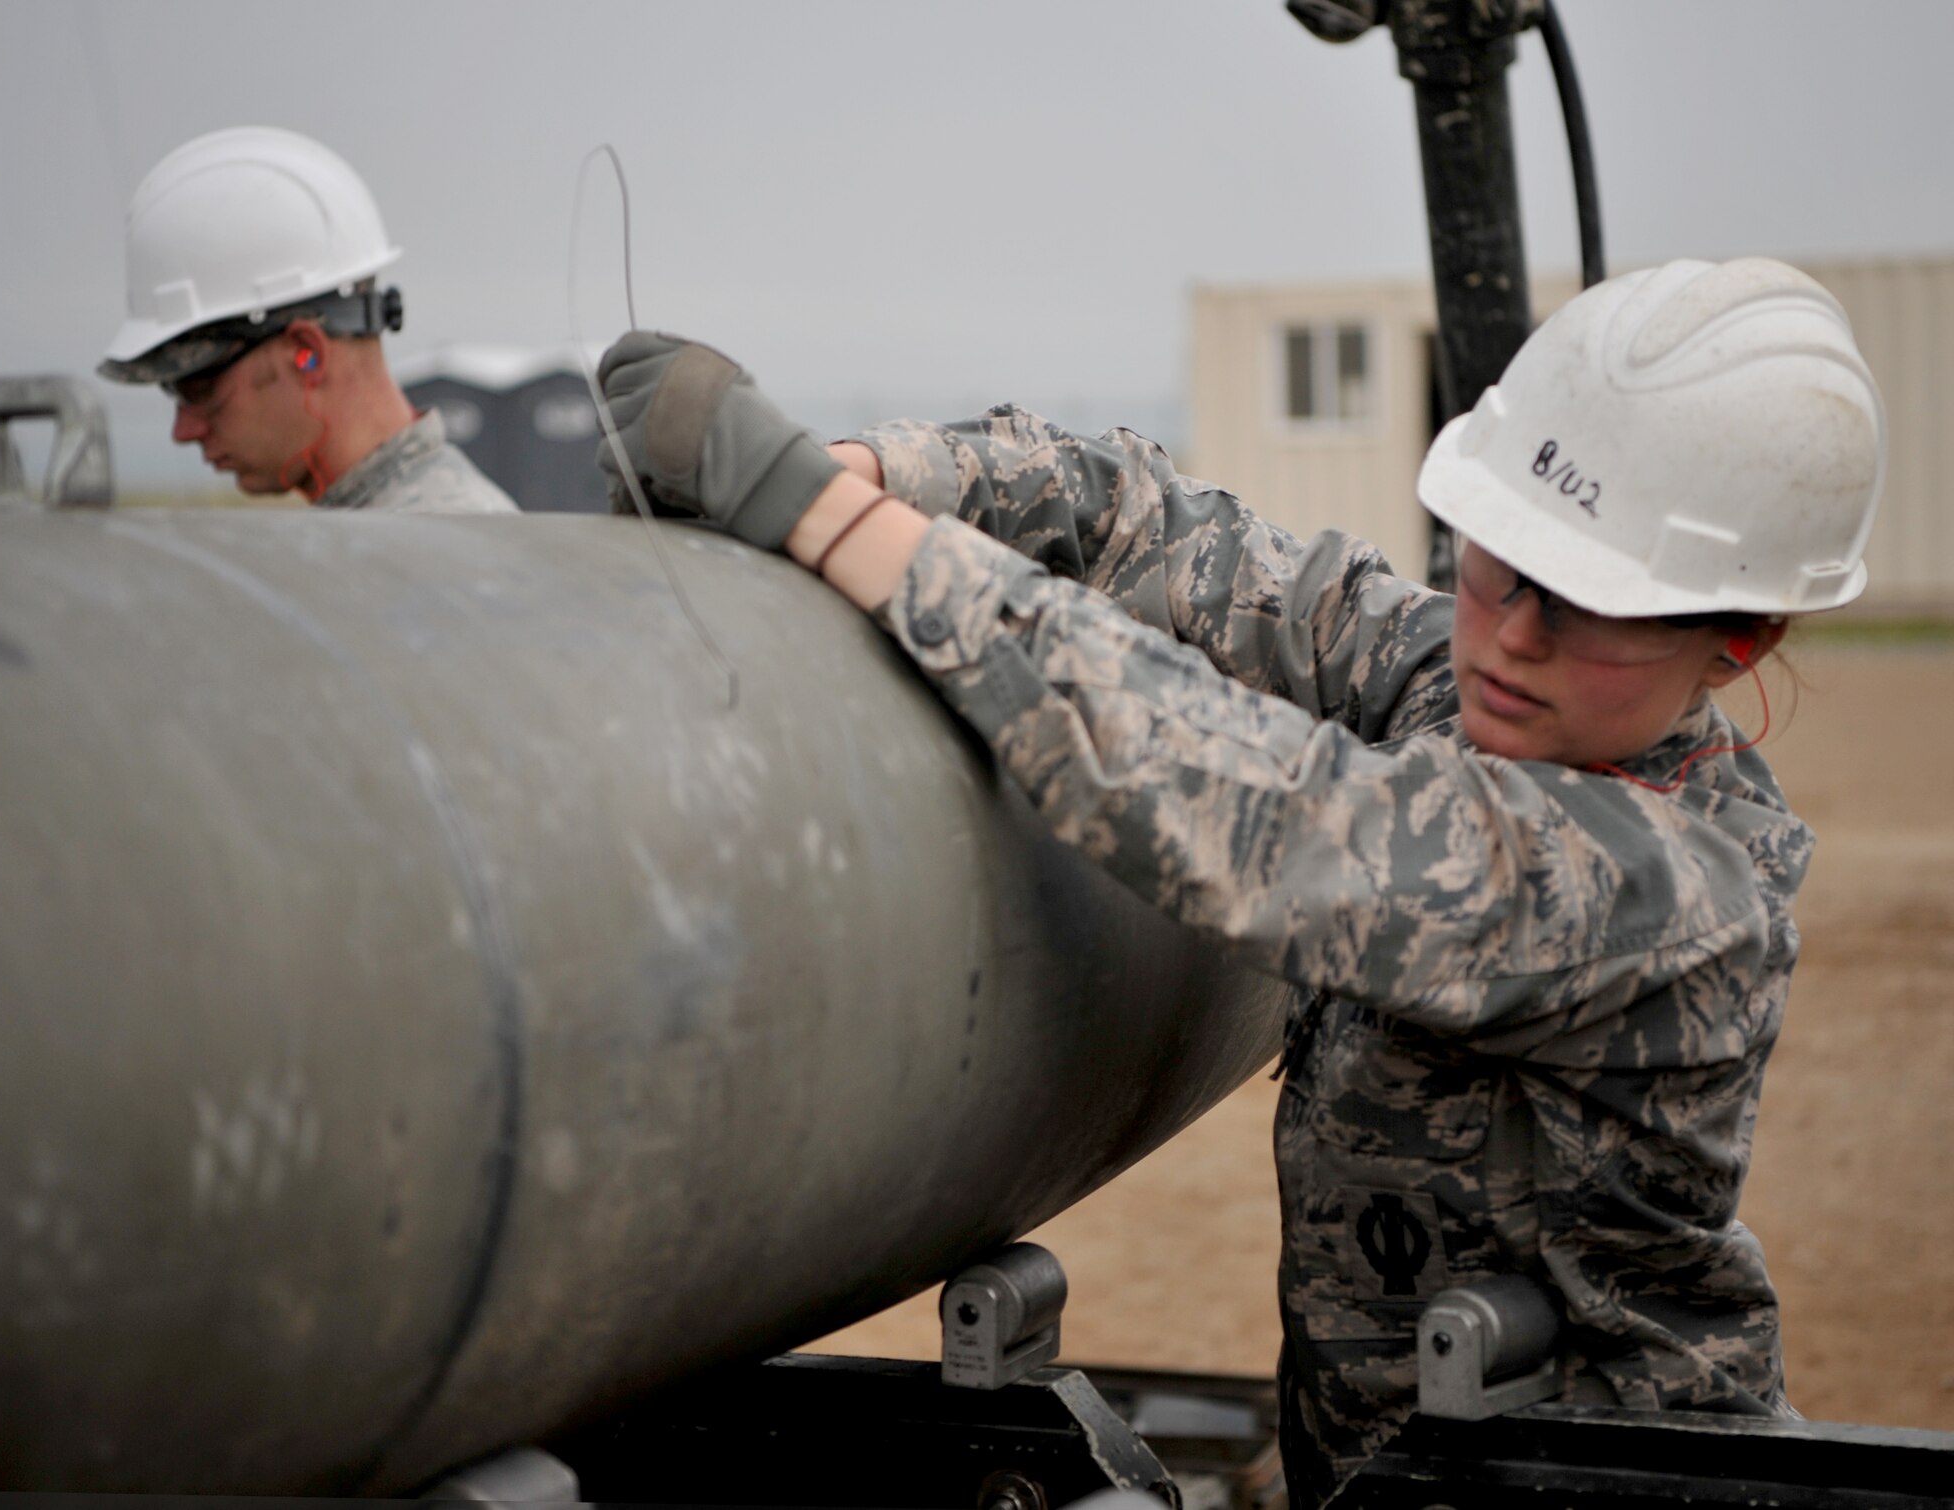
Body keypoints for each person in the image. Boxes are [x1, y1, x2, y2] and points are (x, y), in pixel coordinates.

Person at [593, 257, 1884, 1506]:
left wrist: (824, 520)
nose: (1512, 630)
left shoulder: (1663, 890)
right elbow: (1162, 531)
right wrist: (879, 470)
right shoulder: (1469, 682)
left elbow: (1245, 798)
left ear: (1741, 632)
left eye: (1590, 600)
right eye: (1496, 553)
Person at [98, 126, 518, 515]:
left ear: (307, 353)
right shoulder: (381, 530)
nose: (184, 430)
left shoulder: (431, 542)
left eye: (200, 387)